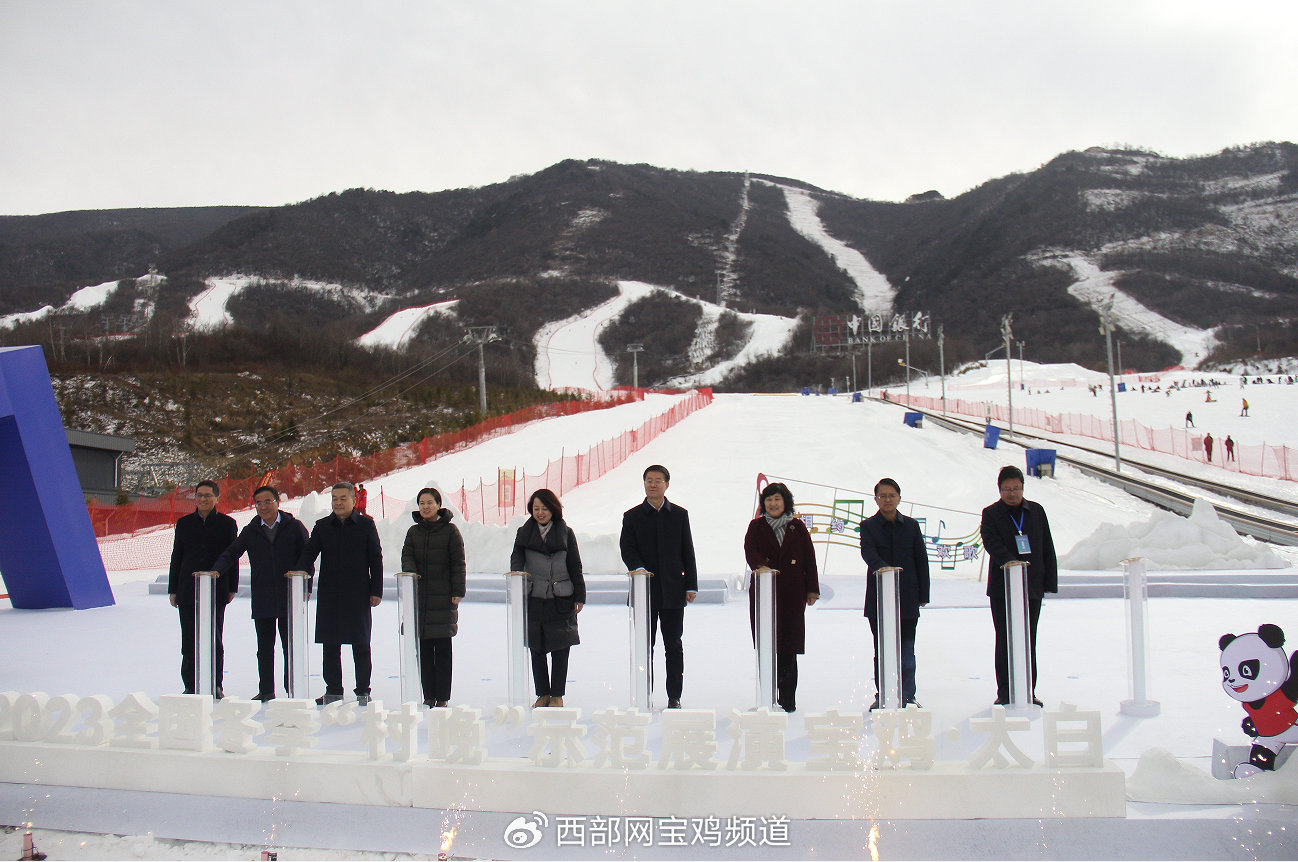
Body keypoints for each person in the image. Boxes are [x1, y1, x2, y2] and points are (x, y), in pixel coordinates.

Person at [212, 485, 310, 701]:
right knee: (264, 648)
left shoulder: (294, 527)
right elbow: (231, 553)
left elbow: (307, 556)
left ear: (278, 502)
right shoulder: (251, 530)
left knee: (291, 647)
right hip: (263, 595)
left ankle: (292, 690)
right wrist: (216, 570)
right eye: (259, 503)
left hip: (289, 596)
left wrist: (305, 586)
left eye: (268, 501)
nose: (263, 506)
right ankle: (266, 690)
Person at [297, 482, 383, 705]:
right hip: (330, 593)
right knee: (330, 644)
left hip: (358, 593)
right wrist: (300, 573)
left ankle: (363, 690)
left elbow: (376, 558)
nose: (338, 502)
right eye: (334, 498)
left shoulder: (366, 525)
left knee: (361, 644)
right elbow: (309, 554)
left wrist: (376, 590)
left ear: (354, 501)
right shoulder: (322, 526)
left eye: (343, 498)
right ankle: (333, 690)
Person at [620, 464, 698, 709]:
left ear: (667, 484)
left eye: (658, 480)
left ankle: (674, 696)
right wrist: (638, 567)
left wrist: (691, 584)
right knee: (645, 645)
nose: (653, 484)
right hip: (645, 592)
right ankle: (644, 694)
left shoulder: (679, 515)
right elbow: (627, 549)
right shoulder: (632, 516)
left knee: (673, 645)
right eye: (649, 480)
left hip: (673, 591)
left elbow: (688, 551)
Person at [980, 465, 1057, 707]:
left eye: (1016, 489)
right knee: (1004, 638)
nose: (1012, 493)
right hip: (1004, 586)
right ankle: (1004, 691)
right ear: (999, 489)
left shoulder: (1036, 511)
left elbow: (1046, 546)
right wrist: (1009, 561)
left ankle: (1027, 689)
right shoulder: (991, 513)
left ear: (1023, 488)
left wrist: (1049, 581)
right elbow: (990, 542)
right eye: (1007, 489)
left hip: (1031, 585)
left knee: (1028, 638)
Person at [743, 482, 820, 712]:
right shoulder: (756, 526)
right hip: (765, 593)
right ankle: (767, 698)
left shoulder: (797, 527)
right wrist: (761, 566)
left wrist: (812, 589)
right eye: (768, 500)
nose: (773, 504)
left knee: (788, 647)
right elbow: (750, 551)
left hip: (792, 594)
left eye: (777, 499)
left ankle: (787, 701)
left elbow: (809, 558)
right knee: (767, 645)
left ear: (785, 501)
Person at [858, 478, 931, 709]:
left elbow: (921, 560)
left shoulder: (911, 526)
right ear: (876, 499)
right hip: (879, 599)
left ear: (899, 498)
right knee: (882, 650)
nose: (887, 499)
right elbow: (868, 553)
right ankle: (885, 695)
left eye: (892, 495)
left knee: (907, 651)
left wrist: (923, 594)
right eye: (883, 495)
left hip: (907, 598)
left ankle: (908, 696)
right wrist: (882, 567)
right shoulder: (868, 526)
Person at [510, 488, 584, 708]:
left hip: (561, 596)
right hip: (535, 596)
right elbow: (516, 559)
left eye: (544, 508)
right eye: (536, 509)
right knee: (537, 648)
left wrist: (579, 594)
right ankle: (542, 693)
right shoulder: (524, 533)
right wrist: (517, 580)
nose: (540, 513)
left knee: (561, 648)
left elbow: (575, 565)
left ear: (553, 509)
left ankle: (557, 695)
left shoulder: (566, 532)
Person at [168, 480, 238, 696]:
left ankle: (215, 684)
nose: (203, 499)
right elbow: (177, 556)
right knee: (189, 639)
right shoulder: (184, 523)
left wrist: (231, 587)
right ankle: (190, 684)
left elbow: (232, 557)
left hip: (216, 589)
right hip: (188, 589)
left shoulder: (227, 524)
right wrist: (173, 589)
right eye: (199, 495)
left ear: (217, 498)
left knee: (214, 637)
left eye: (208, 495)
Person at [401, 487, 466, 708]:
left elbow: (458, 563)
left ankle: (443, 696)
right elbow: (407, 556)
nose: (426, 507)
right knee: (425, 650)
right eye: (422, 503)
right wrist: (411, 577)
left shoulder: (450, 531)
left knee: (443, 649)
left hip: (443, 596)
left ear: (439, 504)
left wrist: (458, 591)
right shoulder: (413, 532)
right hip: (420, 597)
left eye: (430, 503)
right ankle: (428, 694)